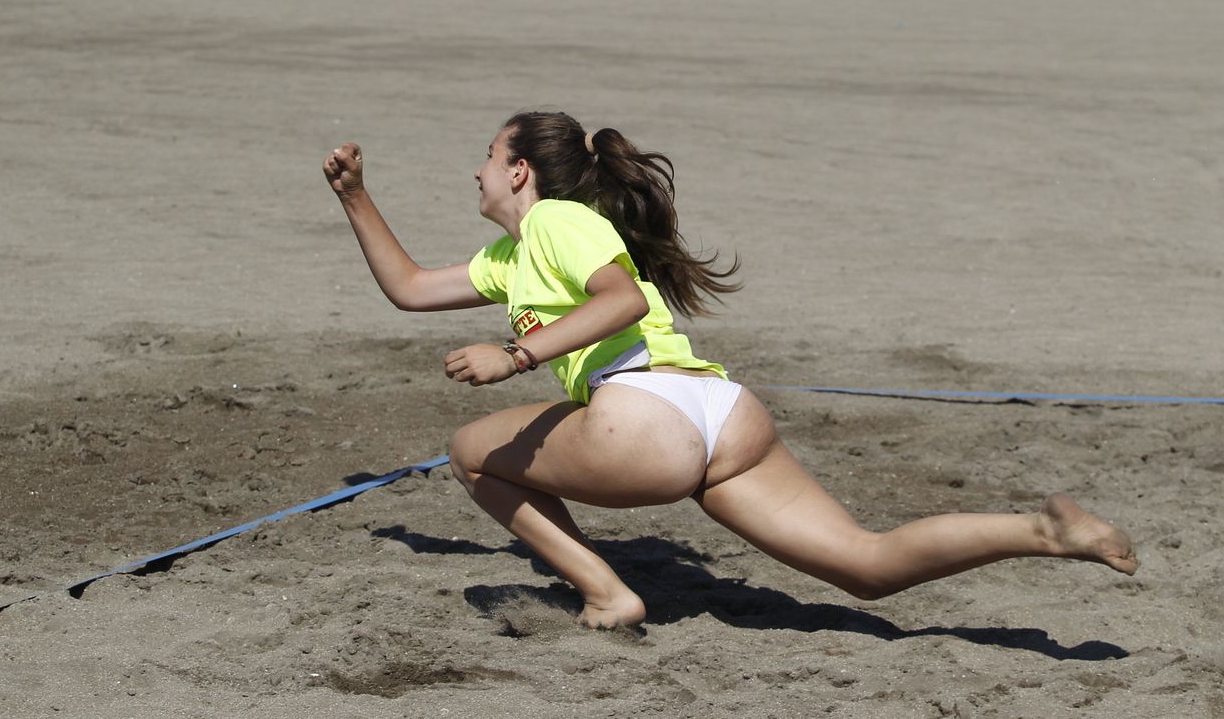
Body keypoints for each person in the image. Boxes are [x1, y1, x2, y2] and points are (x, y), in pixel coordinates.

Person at [322, 111, 1138, 629]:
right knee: (865, 567)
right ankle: (1046, 531)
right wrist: (357, 195)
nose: (475, 169)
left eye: (485, 154)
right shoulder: (511, 255)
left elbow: (622, 303)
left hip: (644, 414)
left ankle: (606, 591)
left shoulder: (561, 222)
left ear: (519, 171)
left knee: (470, 449)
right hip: (720, 412)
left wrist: (517, 354)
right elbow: (411, 287)